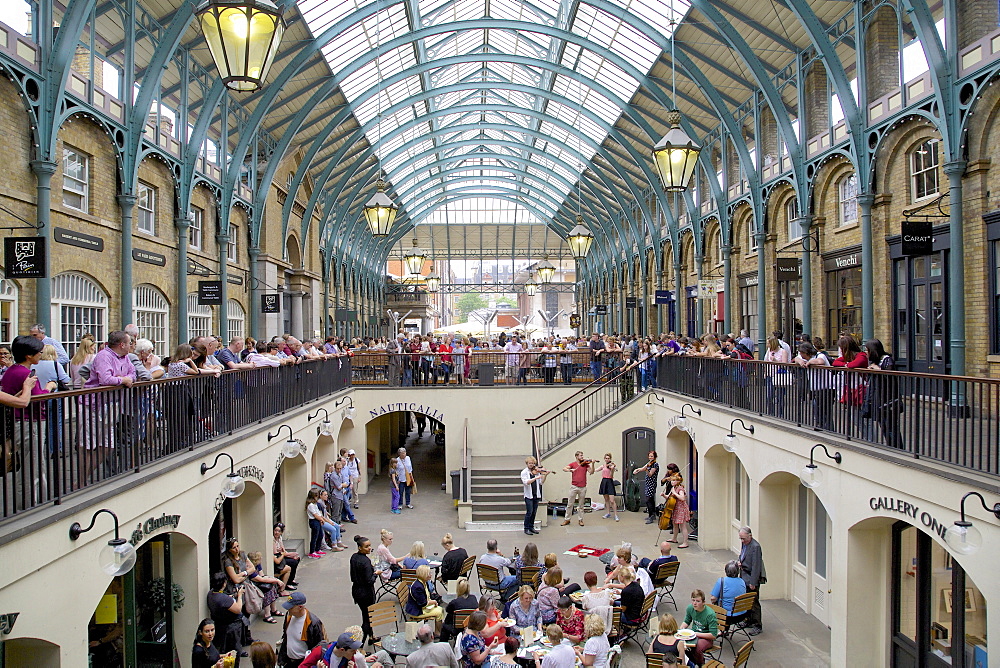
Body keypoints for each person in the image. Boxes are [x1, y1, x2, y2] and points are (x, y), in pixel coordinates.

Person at [863, 338, 902, 449]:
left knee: (891, 427)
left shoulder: (887, 360)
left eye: (867, 350)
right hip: (879, 400)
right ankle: (891, 447)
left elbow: (890, 376)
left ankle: (897, 449)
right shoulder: (876, 361)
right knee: (884, 426)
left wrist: (878, 369)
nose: (866, 353)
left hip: (888, 400)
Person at [277, 592, 325, 666]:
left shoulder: (313, 623)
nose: (288, 609)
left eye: (291, 607)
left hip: (303, 663)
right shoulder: (288, 616)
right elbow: (285, 636)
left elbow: (318, 646)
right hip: (288, 662)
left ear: (300, 607)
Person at [206, 572, 244, 664]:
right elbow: (238, 609)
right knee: (234, 651)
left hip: (219, 625)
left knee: (222, 649)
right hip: (231, 628)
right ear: (224, 583)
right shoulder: (223, 599)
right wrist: (239, 596)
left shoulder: (211, 594)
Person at [350, 535, 378, 645]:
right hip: (366, 593)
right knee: (367, 618)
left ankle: (371, 636)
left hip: (356, 590)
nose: (369, 548)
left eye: (370, 546)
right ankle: (360, 645)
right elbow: (369, 581)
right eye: (366, 546)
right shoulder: (365, 561)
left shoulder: (354, 557)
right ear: (360, 547)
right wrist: (376, 574)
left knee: (366, 614)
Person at [737, 526, 766, 635]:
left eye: (744, 538)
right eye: (741, 539)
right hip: (744, 575)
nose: (742, 541)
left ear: (750, 536)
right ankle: (748, 620)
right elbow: (742, 555)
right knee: (746, 600)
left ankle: (757, 625)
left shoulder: (755, 547)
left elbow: (756, 566)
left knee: (754, 602)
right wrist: (739, 561)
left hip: (751, 577)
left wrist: (753, 582)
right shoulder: (744, 544)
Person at [246, 551, 286, 624]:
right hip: (254, 585)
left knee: (272, 586)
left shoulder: (258, 565)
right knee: (267, 590)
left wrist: (275, 580)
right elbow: (260, 579)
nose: (261, 558)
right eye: (259, 558)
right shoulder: (251, 571)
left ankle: (273, 610)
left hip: (260, 581)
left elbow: (262, 575)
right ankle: (267, 614)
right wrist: (277, 580)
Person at [680, 590, 718, 665]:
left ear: (703, 602)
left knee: (697, 647)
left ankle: (701, 664)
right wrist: (681, 629)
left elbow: (713, 635)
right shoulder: (690, 608)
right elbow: (687, 621)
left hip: (706, 638)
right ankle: (689, 663)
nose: (694, 603)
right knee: (680, 645)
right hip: (694, 635)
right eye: (693, 600)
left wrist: (696, 634)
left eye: (698, 601)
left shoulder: (710, 614)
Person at [561, 451, 593, 527]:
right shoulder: (573, 464)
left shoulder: (586, 464)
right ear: (576, 456)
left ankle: (580, 519)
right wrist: (570, 470)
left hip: (583, 487)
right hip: (574, 487)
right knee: (570, 504)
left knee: (581, 505)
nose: (582, 457)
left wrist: (593, 464)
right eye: (581, 455)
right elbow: (564, 468)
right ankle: (567, 519)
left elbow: (591, 472)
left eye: (582, 455)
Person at [441, 577, 478, 643]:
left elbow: (447, 610)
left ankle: (443, 645)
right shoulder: (473, 598)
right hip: (471, 627)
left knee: (445, 625)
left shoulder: (455, 602)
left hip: (457, 629)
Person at [521, 456, 550, 535]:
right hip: (528, 496)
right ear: (527, 463)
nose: (532, 465)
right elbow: (526, 482)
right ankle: (526, 528)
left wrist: (545, 475)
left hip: (536, 495)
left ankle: (531, 527)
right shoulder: (524, 472)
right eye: (530, 463)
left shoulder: (536, 471)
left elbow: (541, 483)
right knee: (529, 512)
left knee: (534, 512)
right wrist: (535, 478)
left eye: (533, 463)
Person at [634, 451, 660, 524]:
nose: (650, 457)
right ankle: (652, 514)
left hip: (652, 484)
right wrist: (637, 470)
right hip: (648, 483)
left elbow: (650, 474)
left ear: (655, 457)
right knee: (650, 499)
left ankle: (651, 515)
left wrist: (646, 470)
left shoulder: (655, 465)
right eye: (649, 456)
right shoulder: (649, 463)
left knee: (648, 499)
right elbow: (643, 468)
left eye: (652, 456)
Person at [272, 523, 299, 591]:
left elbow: (283, 550)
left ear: (281, 532)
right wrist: (285, 554)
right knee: (293, 562)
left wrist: (291, 554)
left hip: (281, 555)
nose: (276, 532)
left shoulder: (279, 538)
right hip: (278, 558)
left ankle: (291, 579)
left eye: (279, 531)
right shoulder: (272, 539)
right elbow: (276, 553)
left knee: (296, 558)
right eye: (275, 530)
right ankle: (288, 583)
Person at [665, 476, 690, 548]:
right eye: (671, 480)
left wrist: (675, 493)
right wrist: (664, 495)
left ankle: (685, 542)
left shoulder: (680, 489)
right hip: (675, 508)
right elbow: (669, 497)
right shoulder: (673, 488)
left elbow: (682, 498)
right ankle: (674, 538)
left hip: (681, 509)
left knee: (683, 526)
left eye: (674, 480)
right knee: (675, 524)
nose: (672, 482)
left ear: (678, 481)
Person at [596, 453, 619, 521]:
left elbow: (611, 476)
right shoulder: (603, 466)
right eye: (606, 458)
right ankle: (608, 513)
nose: (607, 459)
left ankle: (615, 515)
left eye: (608, 458)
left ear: (610, 459)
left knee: (612, 500)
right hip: (604, 481)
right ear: (604, 459)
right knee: (606, 499)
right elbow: (596, 470)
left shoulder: (611, 466)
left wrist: (612, 469)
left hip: (609, 481)